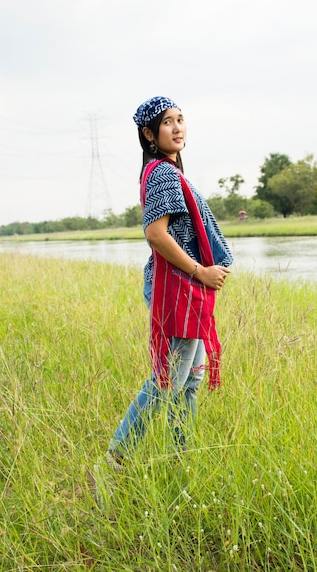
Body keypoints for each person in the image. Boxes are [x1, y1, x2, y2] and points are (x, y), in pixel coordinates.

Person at [92, 96, 232, 504]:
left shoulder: (168, 171)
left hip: (185, 290)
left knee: (189, 382)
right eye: (167, 122)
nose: (177, 127)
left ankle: (181, 462)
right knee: (166, 381)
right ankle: (111, 464)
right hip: (178, 288)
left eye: (181, 119)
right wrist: (200, 271)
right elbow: (155, 233)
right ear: (149, 134)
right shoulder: (163, 175)